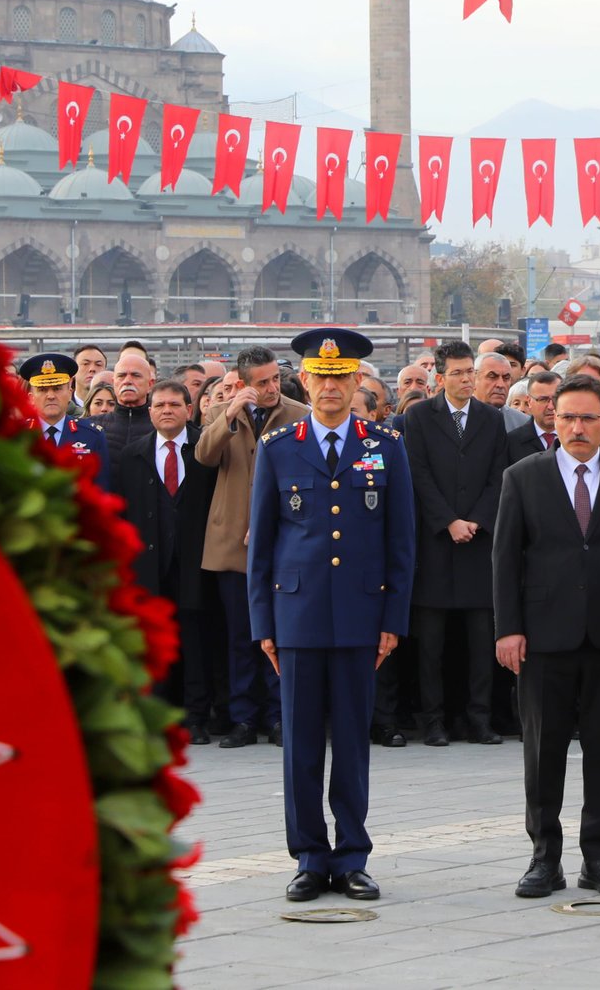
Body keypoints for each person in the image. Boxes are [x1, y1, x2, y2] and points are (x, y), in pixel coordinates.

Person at [249, 329, 416, 903]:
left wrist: (392, 616)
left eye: (341, 377)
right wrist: (263, 625)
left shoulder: (385, 445)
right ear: (305, 380)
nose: (330, 387)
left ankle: (352, 856)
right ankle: (308, 858)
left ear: (356, 382)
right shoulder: (278, 447)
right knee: (299, 743)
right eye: (320, 378)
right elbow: (262, 547)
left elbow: (401, 541)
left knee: (351, 740)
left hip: (360, 612)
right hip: (296, 615)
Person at [493, 375, 600, 900]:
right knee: (543, 753)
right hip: (544, 637)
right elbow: (505, 559)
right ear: (551, 418)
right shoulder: (523, 476)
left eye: (589, 417)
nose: (576, 427)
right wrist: (509, 630)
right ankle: (544, 858)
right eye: (566, 416)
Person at [198, 345, 310, 748]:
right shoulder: (221, 413)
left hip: (283, 543)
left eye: (275, 379)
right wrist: (229, 413)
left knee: (278, 633)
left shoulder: (298, 414)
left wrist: (272, 524)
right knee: (239, 635)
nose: (271, 388)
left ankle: (279, 716)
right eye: (261, 383)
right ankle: (243, 718)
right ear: (243, 384)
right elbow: (204, 456)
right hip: (231, 543)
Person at [404, 341, 511, 748]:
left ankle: (478, 718)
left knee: (481, 640)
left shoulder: (490, 418)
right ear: (440, 377)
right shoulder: (419, 418)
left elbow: (497, 476)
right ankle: (433, 720)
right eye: (458, 373)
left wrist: (477, 521)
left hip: (478, 544)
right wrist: (448, 521)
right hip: (436, 545)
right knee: (431, 644)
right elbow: (419, 475)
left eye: (471, 372)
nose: (466, 380)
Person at [114, 379, 219, 741]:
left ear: (189, 410)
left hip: (194, 563)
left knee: (196, 643)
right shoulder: (132, 454)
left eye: (175, 405)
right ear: (150, 411)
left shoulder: (205, 450)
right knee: (153, 644)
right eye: (159, 406)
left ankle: (195, 717)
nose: (167, 411)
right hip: (149, 567)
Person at [20, 355, 111, 478]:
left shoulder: (92, 435)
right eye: (42, 390)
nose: (51, 396)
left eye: (57, 389)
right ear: (31, 397)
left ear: (69, 393)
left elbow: (101, 489)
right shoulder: (18, 435)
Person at [99, 346, 158, 464]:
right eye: (121, 376)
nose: (127, 381)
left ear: (150, 384)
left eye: (136, 375)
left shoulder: (162, 427)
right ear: (113, 382)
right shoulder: (93, 427)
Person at [505, 370, 562, 461]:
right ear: (529, 401)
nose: (551, 407)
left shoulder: (575, 437)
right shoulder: (511, 442)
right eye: (543, 399)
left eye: (556, 399)